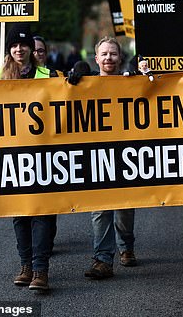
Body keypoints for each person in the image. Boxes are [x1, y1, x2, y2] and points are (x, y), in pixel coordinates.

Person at [0, 23, 57, 291]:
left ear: (32, 48)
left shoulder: (48, 74)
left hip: (44, 154)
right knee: (20, 213)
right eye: (14, 45)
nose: (19, 49)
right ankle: (26, 265)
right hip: (14, 156)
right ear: (9, 49)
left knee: (43, 213)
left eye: (24, 45)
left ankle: (41, 270)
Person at [74, 37, 138, 280]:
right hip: (97, 156)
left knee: (125, 209)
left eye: (113, 53)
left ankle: (126, 246)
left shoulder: (130, 82)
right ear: (96, 58)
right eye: (105, 54)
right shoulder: (85, 84)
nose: (109, 58)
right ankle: (103, 259)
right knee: (100, 210)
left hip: (125, 155)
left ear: (120, 58)